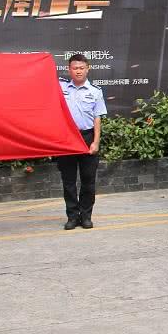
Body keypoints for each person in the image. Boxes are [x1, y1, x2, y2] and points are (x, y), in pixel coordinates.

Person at [58, 54, 107, 230]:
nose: (78, 71)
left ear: (88, 69)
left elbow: (97, 118)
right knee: (69, 181)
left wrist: (96, 142)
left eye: (81, 68)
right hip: (66, 139)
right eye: (74, 68)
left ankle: (86, 216)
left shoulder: (95, 91)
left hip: (87, 137)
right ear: (69, 69)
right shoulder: (61, 87)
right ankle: (72, 217)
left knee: (88, 180)